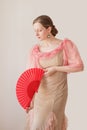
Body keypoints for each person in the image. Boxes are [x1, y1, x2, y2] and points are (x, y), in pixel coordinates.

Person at [25, 15, 84, 130]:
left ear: (49, 29)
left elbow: (79, 66)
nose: (36, 34)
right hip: (41, 94)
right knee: (37, 125)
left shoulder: (65, 45)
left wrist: (56, 68)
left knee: (54, 124)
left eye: (39, 30)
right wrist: (30, 99)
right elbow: (31, 76)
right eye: (35, 31)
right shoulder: (35, 50)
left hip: (58, 92)